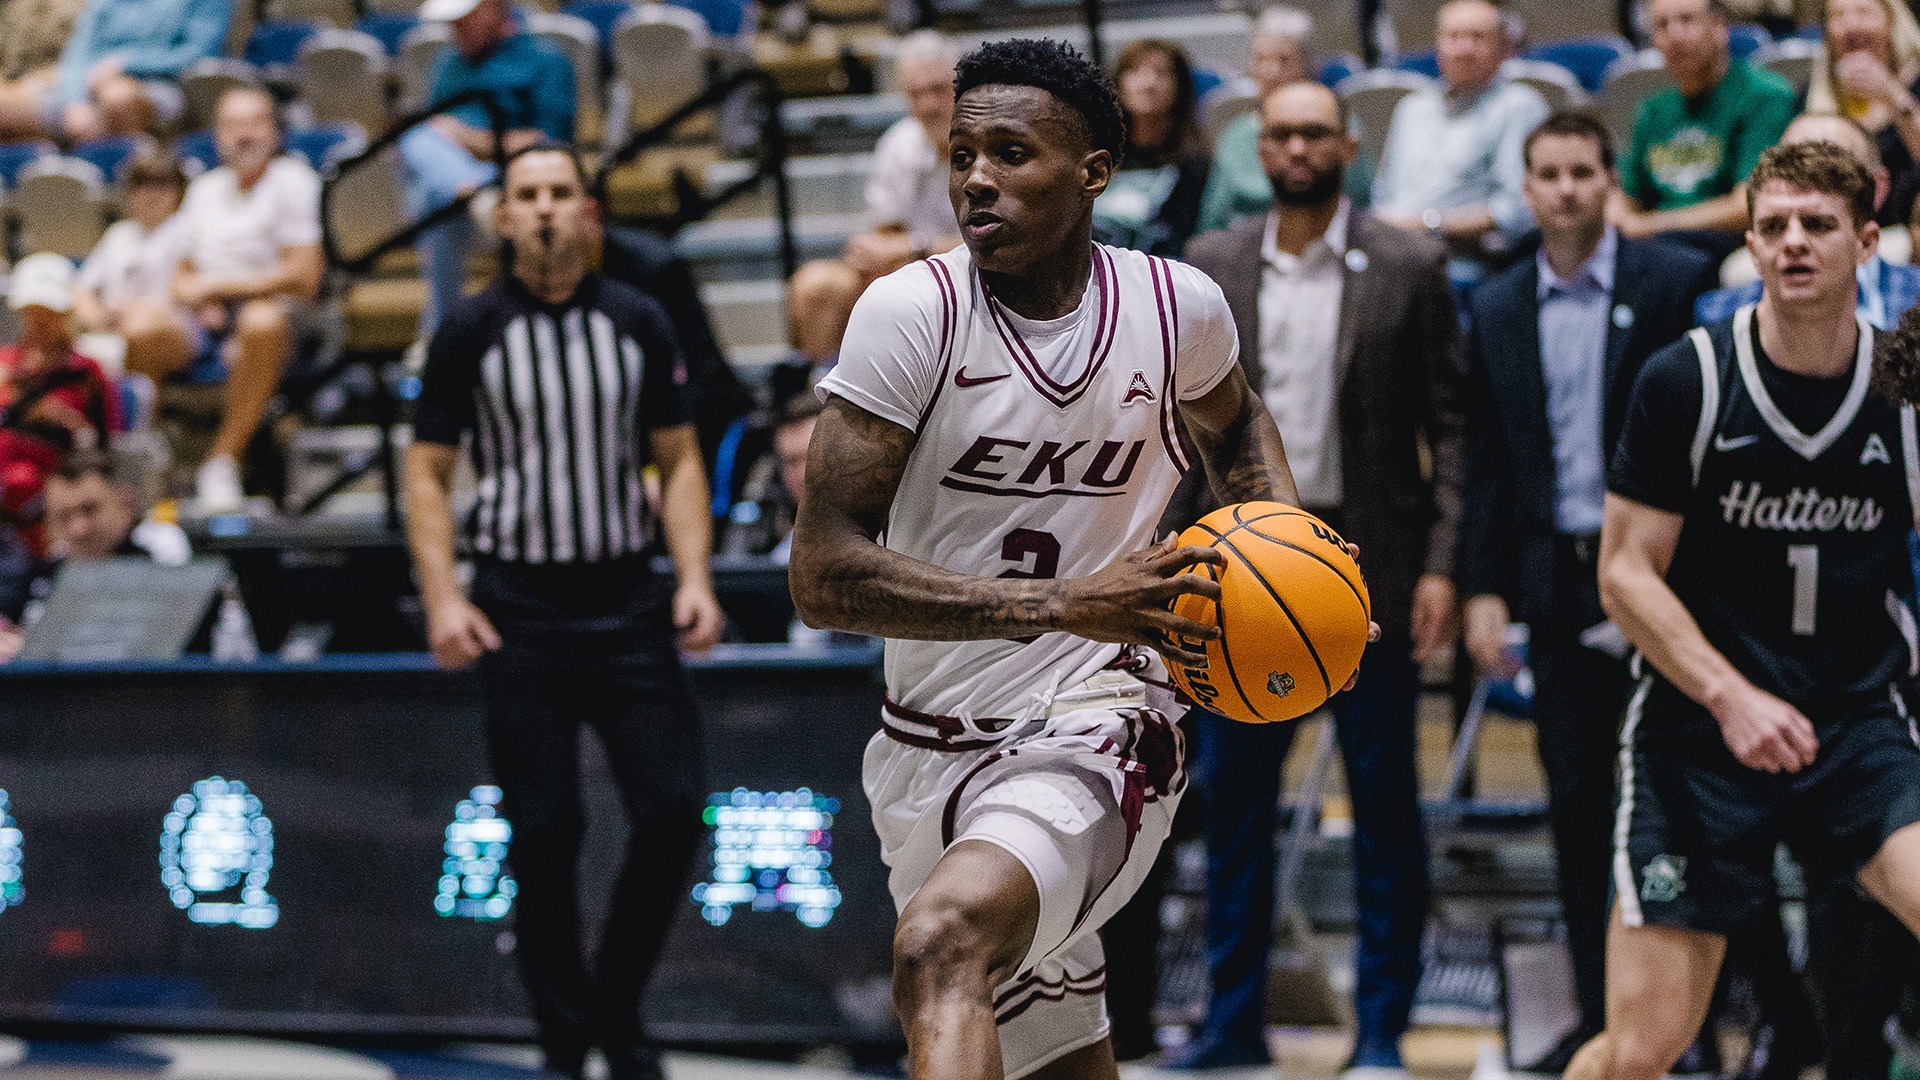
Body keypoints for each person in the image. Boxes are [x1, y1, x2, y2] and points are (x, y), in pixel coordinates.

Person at [790, 37, 1370, 1080]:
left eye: (1011, 153)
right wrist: (1063, 600)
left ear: (1093, 170)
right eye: (963, 154)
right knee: (1051, 1055)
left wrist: (1290, 557)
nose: (977, 177)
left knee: (942, 945)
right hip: (924, 742)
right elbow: (823, 575)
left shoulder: (1176, 306)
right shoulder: (911, 314)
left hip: (1101, 720)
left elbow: (1237, 426)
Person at [1564, 139, 1920, 1080]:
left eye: (1819, 224)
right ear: (1750, 245)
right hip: (1699, 725)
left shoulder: (1906, 388)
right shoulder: (1686, 379)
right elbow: (1625, 574)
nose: (1794, 241)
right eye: (1774, 226)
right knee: (1643, 1047)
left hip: (1855, 716)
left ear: (1868, 242)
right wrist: (1730, 696)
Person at [404, 142, 722, 1080]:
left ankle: (612, 1007)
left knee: (674, 812)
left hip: (627, 597)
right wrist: (443, 596)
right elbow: (426, 474)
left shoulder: (638, 318)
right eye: (527, 194)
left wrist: (694, 578)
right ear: (504, 217)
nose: (544, 208)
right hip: (520, 607)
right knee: (543, 834)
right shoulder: (469, 330)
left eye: (560, 192)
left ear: (588, 211)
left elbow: (680, 458)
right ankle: (563, 1042)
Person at [1172, 79, 1464, 1076]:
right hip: (1239, 566)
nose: (1297, 148)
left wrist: (1441, 567)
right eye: (1280, 134)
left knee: (1385, 812)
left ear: (1347, 144)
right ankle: (1231, 1024)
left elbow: (1452, 428)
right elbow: (1180, 428)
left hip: (1369, 565)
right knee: (1234, 811)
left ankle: (1380, 1032)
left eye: (1315, 133)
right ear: (1259, 149)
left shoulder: (1409, 262)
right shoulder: (1210, 265)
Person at [1457, 110, 1718, 1075]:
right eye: (1550, 173)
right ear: (1526, 188)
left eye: (1582, 171)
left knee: (1675, 802)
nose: (1566, 189)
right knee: (1575, 803)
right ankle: (1598, 1021)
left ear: (1611, 180)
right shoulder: (1496, 303)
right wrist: (1483, 588)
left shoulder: (1671, 282)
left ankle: (1686, 1031)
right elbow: (1486, 461)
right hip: (1554, 580)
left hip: (1664, 579)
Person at [141, 86, 323, 513]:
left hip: (281, 317)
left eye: (254, 123)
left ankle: (223, 459)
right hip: (206, 319)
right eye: (232, 125)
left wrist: (218, 288)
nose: (243, 135)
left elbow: (304, 276)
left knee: (259, 322)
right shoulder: (204, 189)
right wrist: (200, 298)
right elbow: (181, 278)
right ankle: (146, 454)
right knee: (141, 326)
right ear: (217, 135)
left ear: (275, 131)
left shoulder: (294, 180)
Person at [404, 0, 575, 335]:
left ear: (495, 7)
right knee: (417, 146)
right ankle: (475, 195)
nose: (456, 28)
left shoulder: (546, 59)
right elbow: (434, 135)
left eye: (465, 18)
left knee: (430, 185)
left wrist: (469, 139)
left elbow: (548, 145)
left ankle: (438, 331)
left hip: (514, 180)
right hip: (457, 193)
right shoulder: (448, 63)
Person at [1370, 0, 1547, 281]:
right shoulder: (1412, 108)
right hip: (1392, 264)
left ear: (1503, 48)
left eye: (1478, 37)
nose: (1464, 49)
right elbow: (1382, 195)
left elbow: (1518, 208)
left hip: (1466, 269)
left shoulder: (1519, 106)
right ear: (1438, 46)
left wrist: (1427, 224)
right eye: (1453, 37)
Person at [1610, 0, 1796, 256]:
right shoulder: (1652, 110)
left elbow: (1749, 206)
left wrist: (1647, 225)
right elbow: (1625, 199)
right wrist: (1618, 217)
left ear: (1719, 27)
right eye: (1662, 25)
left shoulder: (1764, 96)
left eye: (1687, 20)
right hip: (1655, 249)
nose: (1675, 36)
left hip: (1728, 246)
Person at [1699, 114, 1920, 329]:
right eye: (1788, 167)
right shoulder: (1717, 314)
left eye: (1831, 172)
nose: (1805, 184)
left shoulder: (1914, 296)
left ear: (1876, 188)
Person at [0, 448, 189, 663]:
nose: (78, 529)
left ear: (126, 505)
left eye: (89, 510)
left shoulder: (166, 580)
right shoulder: (32, 579)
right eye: (63, 516)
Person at [0, 254, 122, 559]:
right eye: (33, 311)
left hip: (60, 487)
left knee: (24, 481)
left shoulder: (87, 372)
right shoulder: (3, 365)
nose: (41, 320)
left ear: (66, 313)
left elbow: (109, 443)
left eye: (49, 311)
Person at [845, 30, 963, 281]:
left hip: (979, 276)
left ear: (962, 86)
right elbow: (886, 235)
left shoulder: (990, 139)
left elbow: (999, 244)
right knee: (817, 286)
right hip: (915, 273)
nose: (928, 106)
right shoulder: (899, 142)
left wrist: (914, 247)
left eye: (938, 89)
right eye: (915, 93)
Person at [71, 146, 195, 378]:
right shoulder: (119, 233)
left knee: (140, 327)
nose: (152, 193)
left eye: (162, 184)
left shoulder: (187, 229)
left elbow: (185, 296)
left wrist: (128, 312)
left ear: (179, 191)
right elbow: (82, 289)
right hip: (111, 326)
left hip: (168, 327)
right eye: (142, 183)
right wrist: (98, 316)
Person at [1195, 5, 1315, 236]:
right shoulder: (1235, 135)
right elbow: (1213, 220)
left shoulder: (1334, 126)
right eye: (1261, 59)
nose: (1271, 71)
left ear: (1307, 66)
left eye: (1284, 60)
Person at [1806, 0, 1920, 230]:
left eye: (1864, 12)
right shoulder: (1812, 94)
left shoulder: (1915, 82)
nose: (1851, 25)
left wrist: (1894, 96)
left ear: (1891, 24)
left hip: (1906, 225)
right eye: (1838, 15)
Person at [53, 0, 232, 142]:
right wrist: (74, 100)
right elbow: (79, 50)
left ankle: (129, 168)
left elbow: (200, 51)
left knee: (117, 99)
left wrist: (126, 63)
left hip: (166, 80)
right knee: (35, 101)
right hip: (94, 79)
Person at [1094, 39, 1210, 256]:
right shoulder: (1097, 152)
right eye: (1136, 71)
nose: (1148, 84)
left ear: (1179, 88)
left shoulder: (1195, 163)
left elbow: (1182, 241)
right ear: (1118, 83)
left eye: (1161, 73)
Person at [0, 0, 85, 140]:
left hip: (58, 86)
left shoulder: (77, 8)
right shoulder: (11, 10)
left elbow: (80, 62)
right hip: (15, 86)